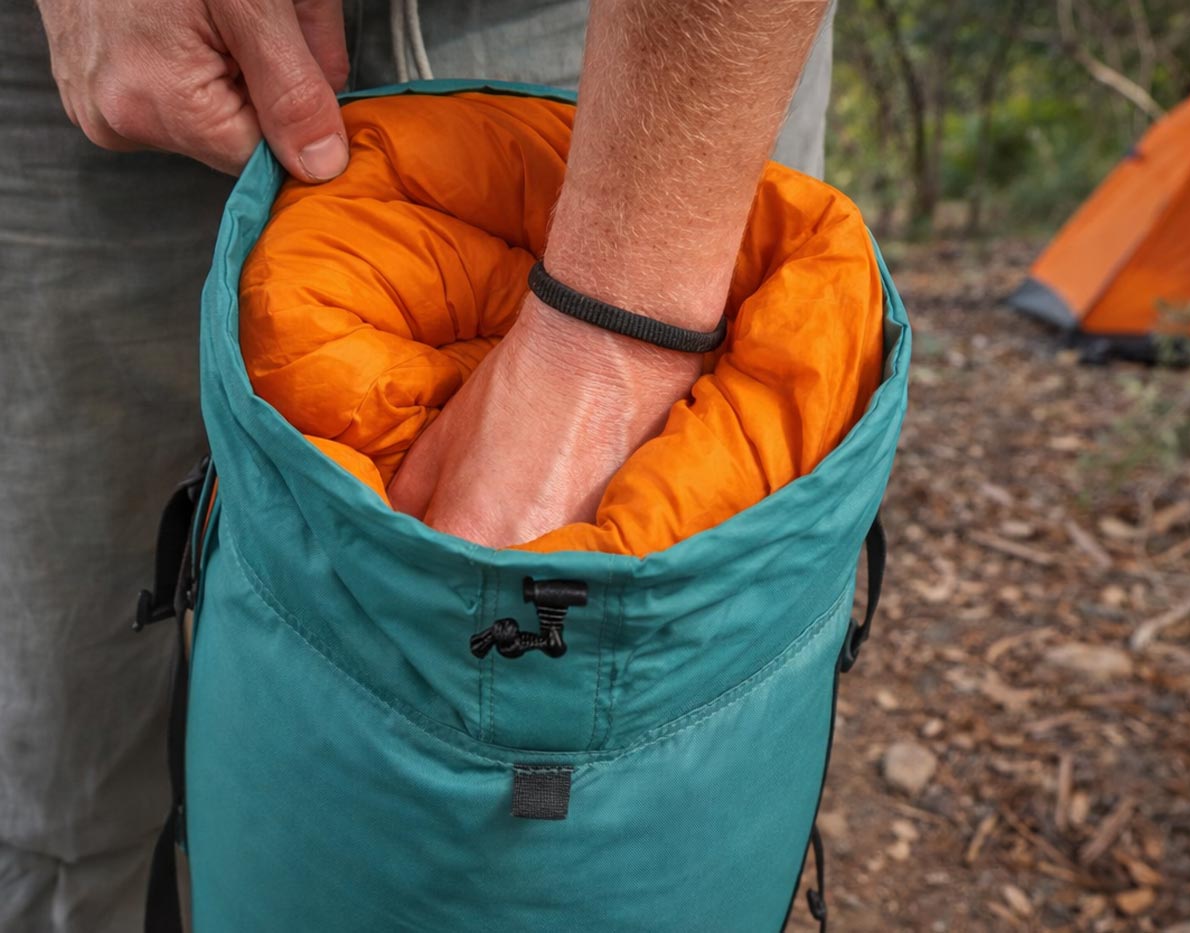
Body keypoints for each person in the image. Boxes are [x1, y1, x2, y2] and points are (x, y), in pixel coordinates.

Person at [0, 0, 836, 929]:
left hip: (658, 65)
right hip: (110, 56)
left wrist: (619, 322)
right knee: (66, 780)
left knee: (649, 783)